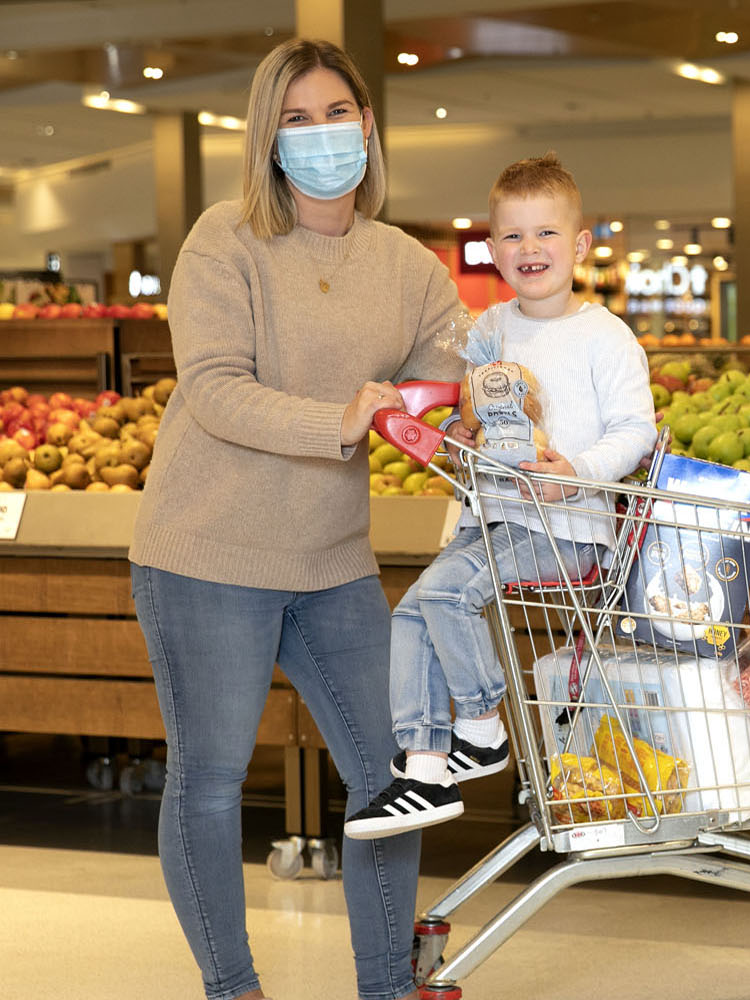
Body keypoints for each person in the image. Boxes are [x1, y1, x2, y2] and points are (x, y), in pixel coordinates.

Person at [128, 38, 465, 1000]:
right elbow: (217, 390)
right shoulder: (221, 241)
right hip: (209, 550)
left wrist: (486, 395)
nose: (322, 135)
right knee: (210, 778)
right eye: (296, 118)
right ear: (268, 139)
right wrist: (345, 419)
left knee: (390, 782)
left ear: (369, 124)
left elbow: (451, 365)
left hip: (332, 560)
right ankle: (233, 988)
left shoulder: (406, 264)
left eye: (337, 114)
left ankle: (385, 986)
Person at [343, 153, 656, 840]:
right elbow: (476, 419)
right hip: (492, 518)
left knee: (447, 598)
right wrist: (458, 430)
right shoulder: (488, 334)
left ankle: (482, 727)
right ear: (490, 249)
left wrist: (572, 468)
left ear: (579, 245)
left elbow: (637, 430)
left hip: (564, 525)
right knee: (413, 615)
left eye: (546, 234)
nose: (529, 249)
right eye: (512, 236)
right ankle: (424, 767)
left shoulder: (604, 337)